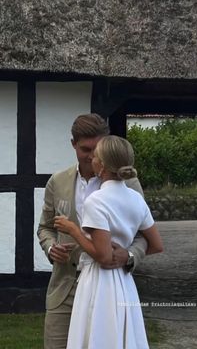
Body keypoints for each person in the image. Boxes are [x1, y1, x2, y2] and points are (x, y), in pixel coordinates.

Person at [37, 113, 148, 349]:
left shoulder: (128, 184)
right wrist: (50, 247)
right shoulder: (57, 182)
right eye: (84, 149)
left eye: (96, 149)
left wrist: (129, 256)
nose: (91, 157)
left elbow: (145, 236)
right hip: (63, 290)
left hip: (109, 290)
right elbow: (45, 227)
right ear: (73, 144)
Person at [54, 135, 163, 349]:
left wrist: (73, 230)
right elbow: (157, 245)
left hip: (98, 281)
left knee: (97, 336)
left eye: (95, 155)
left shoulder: (96, 201)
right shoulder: (136, 198)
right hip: (124, 281)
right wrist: (128, 255)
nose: (91, 158)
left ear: (101, 165)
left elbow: (103, 257)